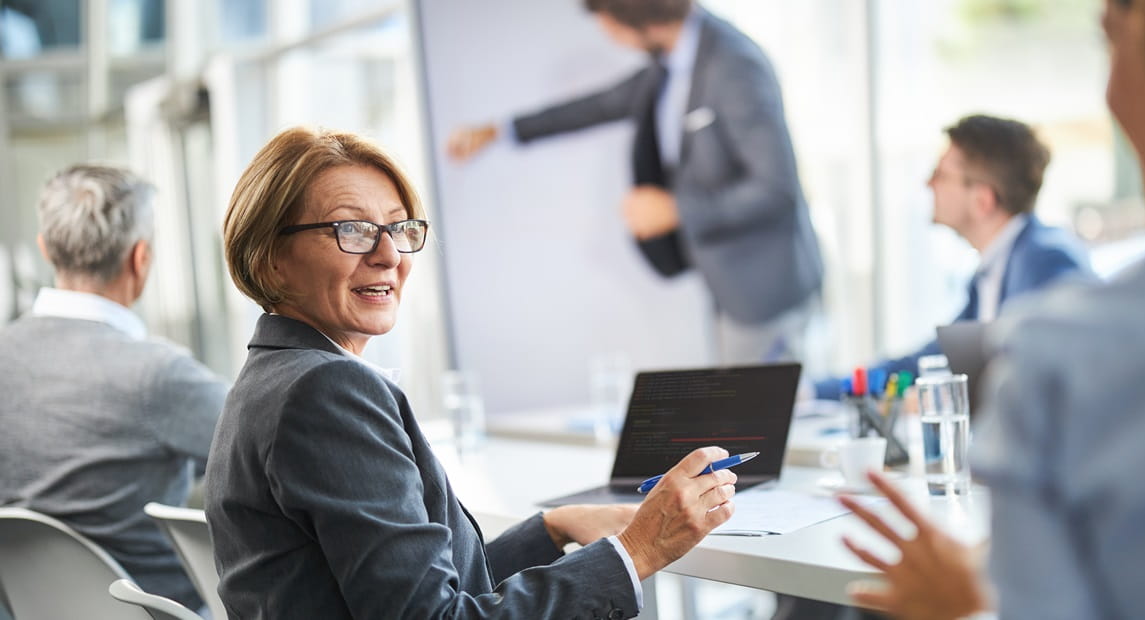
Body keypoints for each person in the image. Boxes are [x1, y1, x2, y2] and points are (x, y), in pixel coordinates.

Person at [838, 0, 1145, 617]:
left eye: (1110, 35)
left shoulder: (1067, 325)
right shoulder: (995, 286)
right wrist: (832, 384)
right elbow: (928, 356)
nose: (925, 189)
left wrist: (961, 609)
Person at [207, 126, 738, 619]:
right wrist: (639, 549)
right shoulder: (326, 389)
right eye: (353, 229)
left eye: (397, 228)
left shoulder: (269, 378)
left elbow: (418, 589)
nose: (389, 254)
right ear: (273, 257)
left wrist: (551, 529)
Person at [447, 0, 824, 365]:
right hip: (727, 281)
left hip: (767, 289)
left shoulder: (734, 66)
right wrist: (501, 131)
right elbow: (599, 105)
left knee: (758, 420)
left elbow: (777, 189)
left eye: (607, 18)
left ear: (642, 16)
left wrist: (675, 209)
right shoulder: (674, 61)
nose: (604, 30)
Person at [0, 165, 227, 610]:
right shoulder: (157, 374)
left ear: (46, 250)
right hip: (159, 610)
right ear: (140, 258)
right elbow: (270, 450)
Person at [816, 115, 1093, 400]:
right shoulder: (990, 273)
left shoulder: (1044, 261)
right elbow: (925, 364)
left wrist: (942, 399)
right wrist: (816, 391)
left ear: (982, 201)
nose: (928, 183)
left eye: (941, 175)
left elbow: (1048, 379)